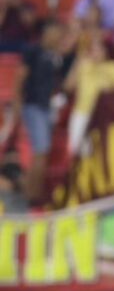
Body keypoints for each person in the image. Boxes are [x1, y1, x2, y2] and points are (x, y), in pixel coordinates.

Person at [14, 20, 69, 202]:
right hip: (34, 106)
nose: (57, 36)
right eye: (54, 32)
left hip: (48, 108)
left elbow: (56, 82)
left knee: (43, 153)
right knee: (41, 151)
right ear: (45, 33)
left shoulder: (55, 56)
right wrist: (17, 103)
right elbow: (20, 78)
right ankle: (32, 196)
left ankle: (32, 190)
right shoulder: (33, 51)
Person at [65, 37, 114, 156]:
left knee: (101, 152)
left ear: (106, 51)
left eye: (98, 49)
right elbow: (68, 86)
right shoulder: (83, 65)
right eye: (92, 50)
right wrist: (77, 62)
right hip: (82, 113)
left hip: (105, 117)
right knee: (78, 152)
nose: (95, 53)